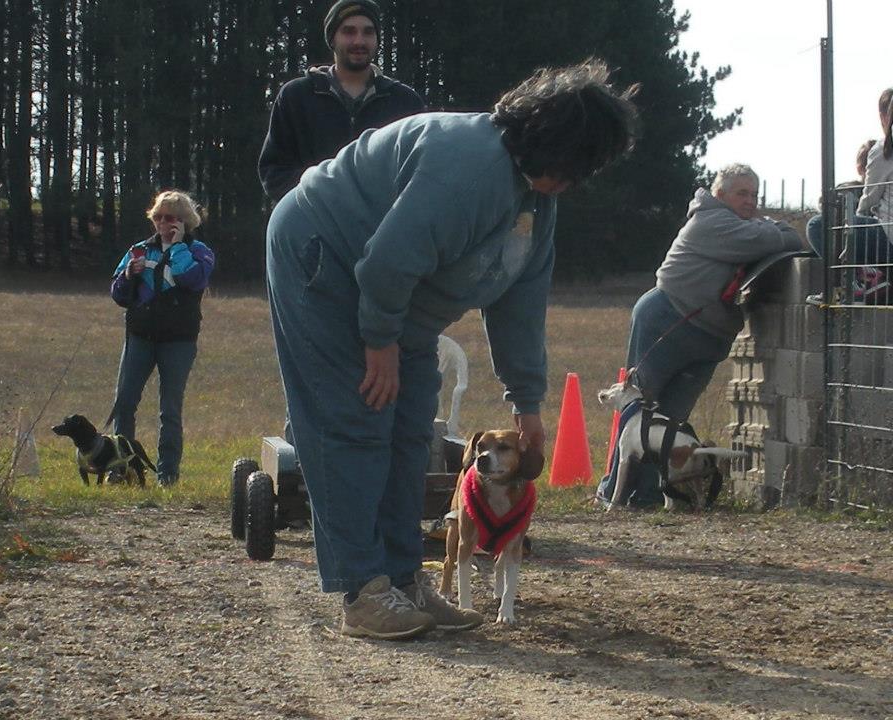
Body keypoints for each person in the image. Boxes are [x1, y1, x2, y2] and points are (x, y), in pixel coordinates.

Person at [266, 60, 639, 639]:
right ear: (555, 143)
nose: (581, 178)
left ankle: (403, 579)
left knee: (412, 428)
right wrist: (380, 342)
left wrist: (527, 404)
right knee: (355, 420)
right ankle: (363, 591)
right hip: (324, 257)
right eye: (582, 162)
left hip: (394, 299)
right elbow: (388, 261)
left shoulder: (537, 202)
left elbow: (520, 304)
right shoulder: (469, 167)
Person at [596, 164, 804, 507]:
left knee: (672, 416)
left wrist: (773, 230)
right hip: (666, 320)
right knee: (640, 410)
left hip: (708, 338)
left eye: (755, 195)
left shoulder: (739, 226)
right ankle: (617, 493)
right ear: (720, 195)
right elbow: (778, 237)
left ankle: (647, 494)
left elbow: (789, 238)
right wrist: (772, 228)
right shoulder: (712, 221)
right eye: (742, 193)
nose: (751, 201)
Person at [257, 0, 425, 204]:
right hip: (313, 226)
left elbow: (420, 175)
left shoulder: (405, 103)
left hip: (385, 229)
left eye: (368, 32)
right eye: (348, 31)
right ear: (332, 39)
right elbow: (274, 172)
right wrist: (322, 195)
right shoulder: (295, 97)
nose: (359, 41)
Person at [109, 191, 215, 487]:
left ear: (184, 221)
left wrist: (177, 246)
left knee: (170, 409)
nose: (163, 223)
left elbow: (193, 280)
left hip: (178, 342)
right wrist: (129, 274)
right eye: (158, 217)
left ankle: (167, 474)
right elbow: (118, 294)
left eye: (170, 217)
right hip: (139, 338)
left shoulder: (199, 251)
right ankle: (121, 468)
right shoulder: (139, 250)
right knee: (125, 402)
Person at [856, 88, 893, 246]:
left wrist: (855, 219)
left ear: (883, 116)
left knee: (816, 225)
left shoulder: (883, 149)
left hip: (888, 237)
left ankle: (864, 271)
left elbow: (870, 199)